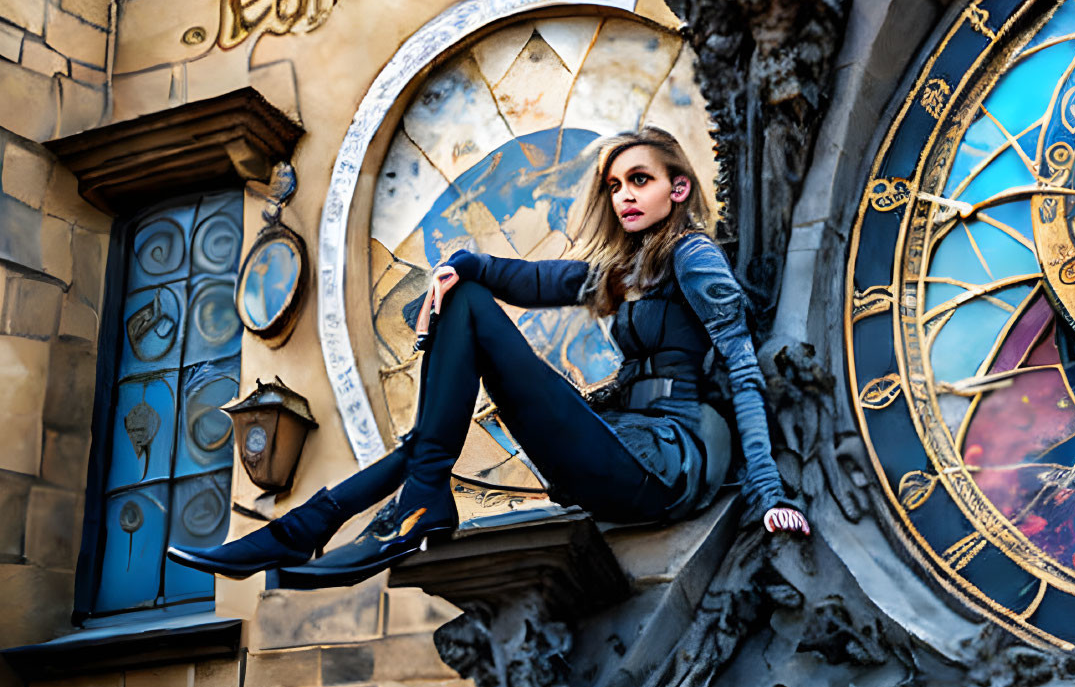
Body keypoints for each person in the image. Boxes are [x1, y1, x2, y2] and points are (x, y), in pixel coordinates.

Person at [169, 126, 808, 588]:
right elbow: (528, 280)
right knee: (453, 353)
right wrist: (456, 265)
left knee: (468, 313)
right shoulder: (621, 270)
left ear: (679, 187)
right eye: (615, 185)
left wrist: (769, 491)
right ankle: (314, 524)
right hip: (620, 445)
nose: (624, 196)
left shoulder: (694, 257)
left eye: (639, 180)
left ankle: (349, 519)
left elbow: (743, 370)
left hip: (667, 460)